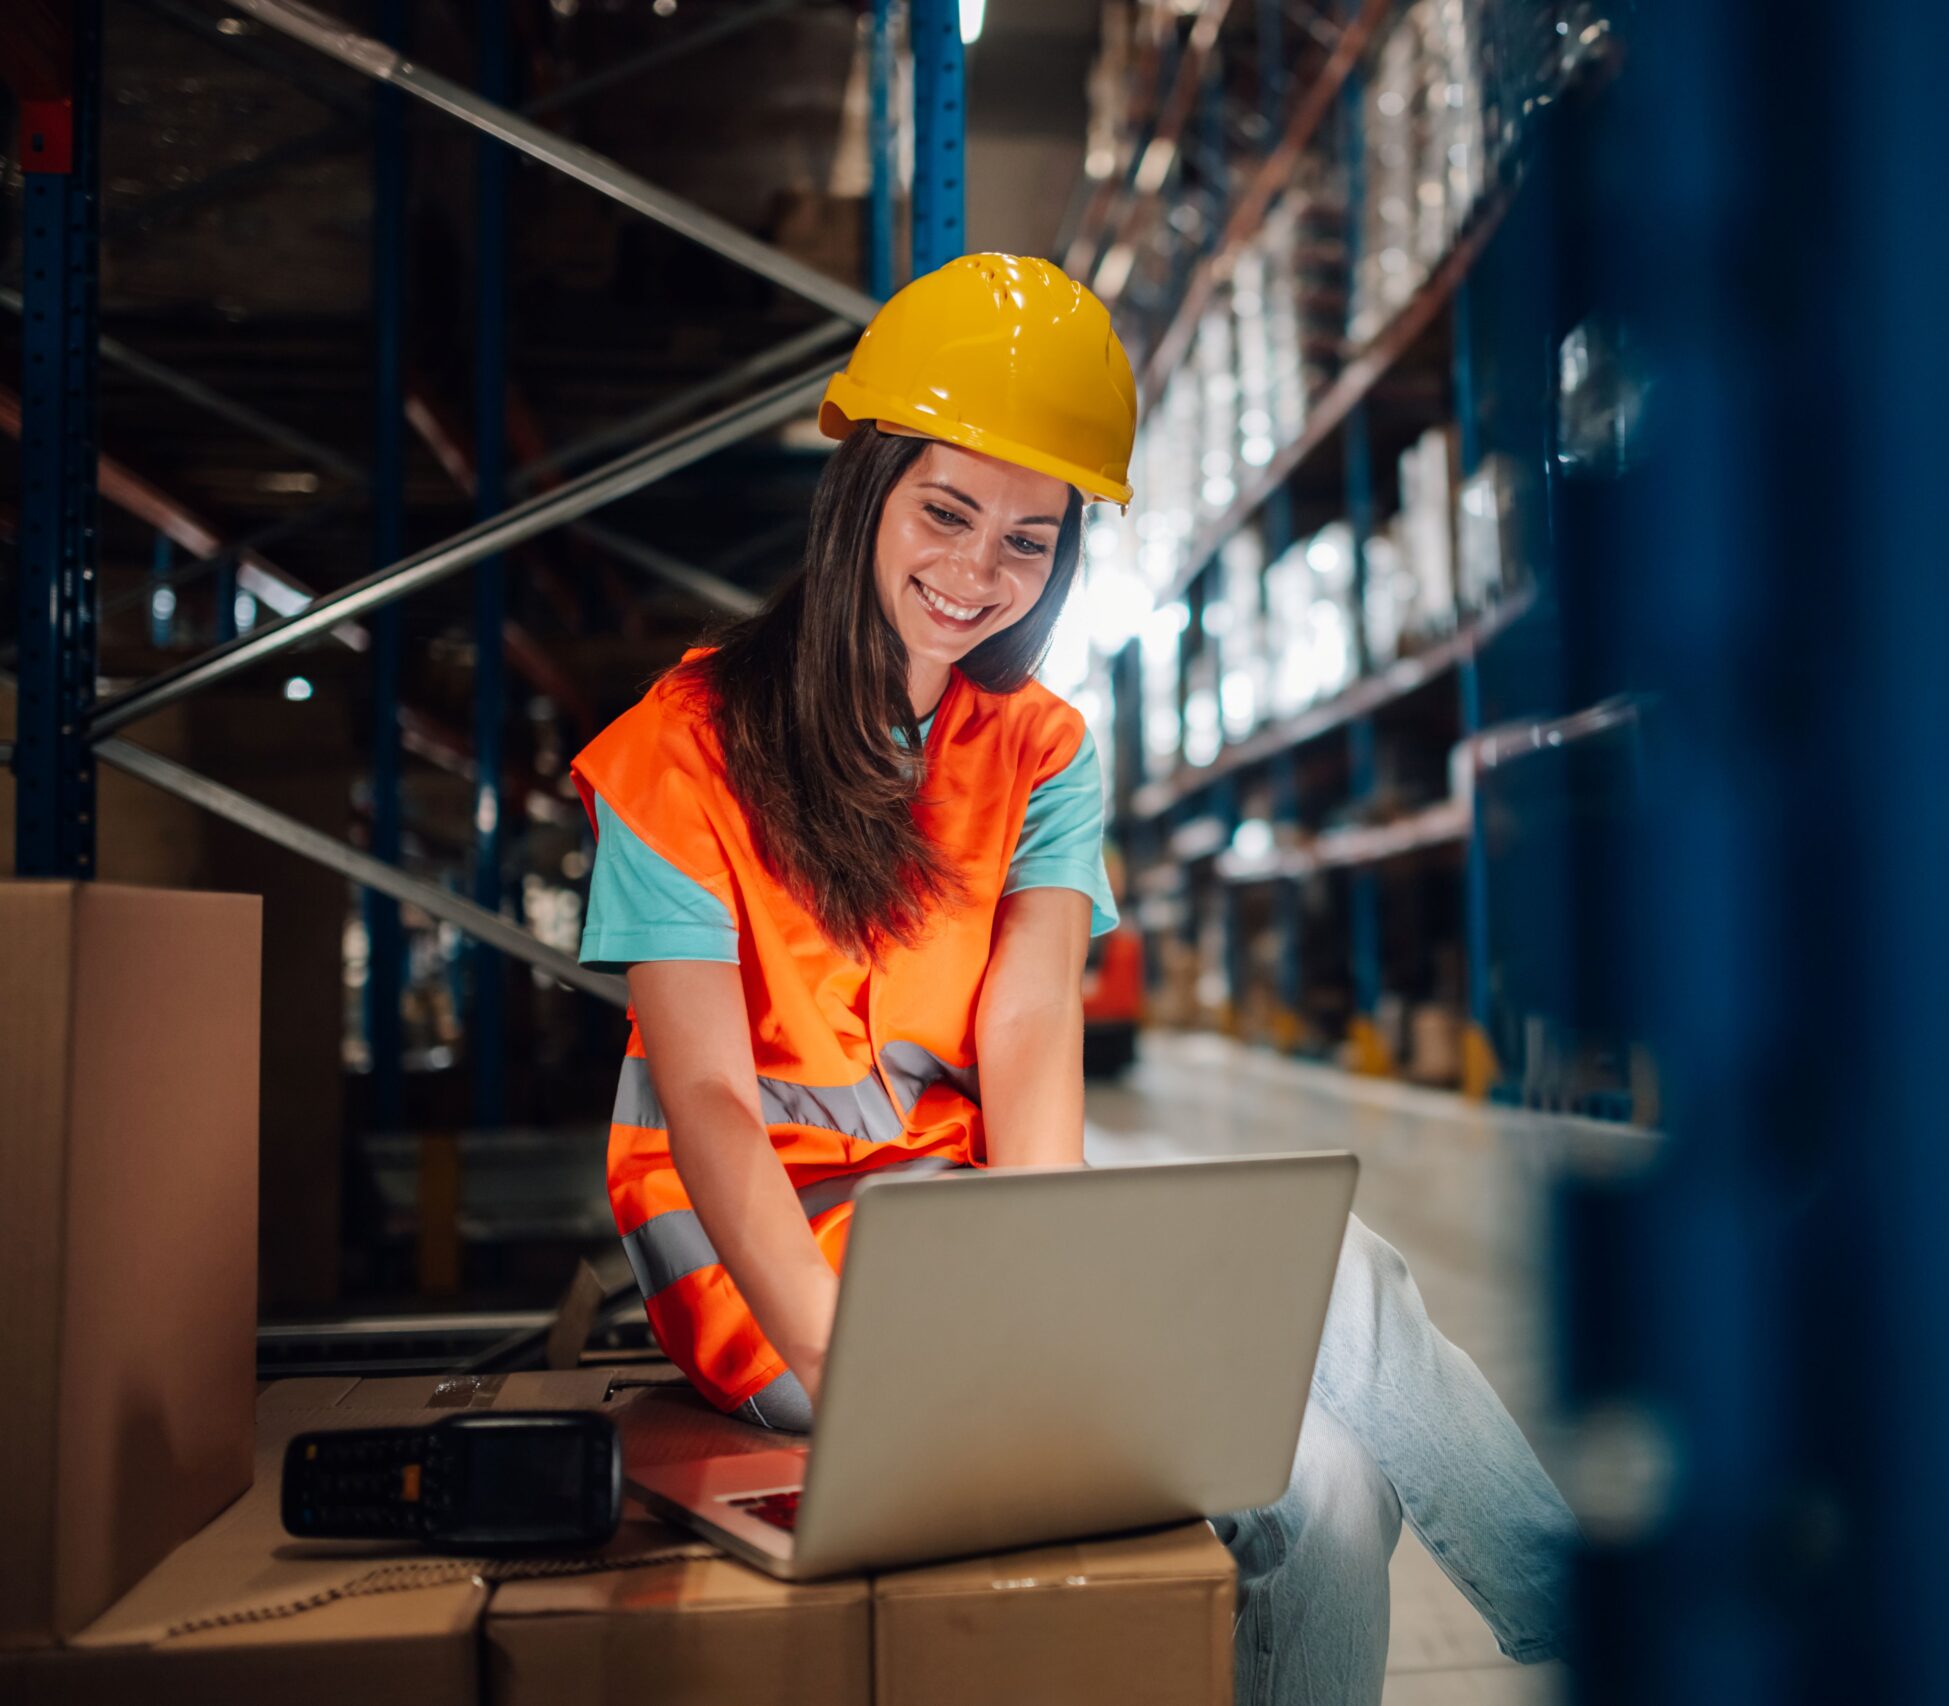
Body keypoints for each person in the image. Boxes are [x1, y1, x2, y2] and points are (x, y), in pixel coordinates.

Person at [570, 253, 1575, 1705]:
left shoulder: (1037, 749)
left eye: (1030, 540)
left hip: (969, 1225)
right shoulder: (682, 750)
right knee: (1334, 1325)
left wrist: (1054, 1276)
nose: (977, 573)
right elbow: (714, 1099)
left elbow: (1032, 1021)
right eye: (946, 510)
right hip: (765, 1266)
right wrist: (852, 1365)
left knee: (1333, 1469)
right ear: (863, 486)